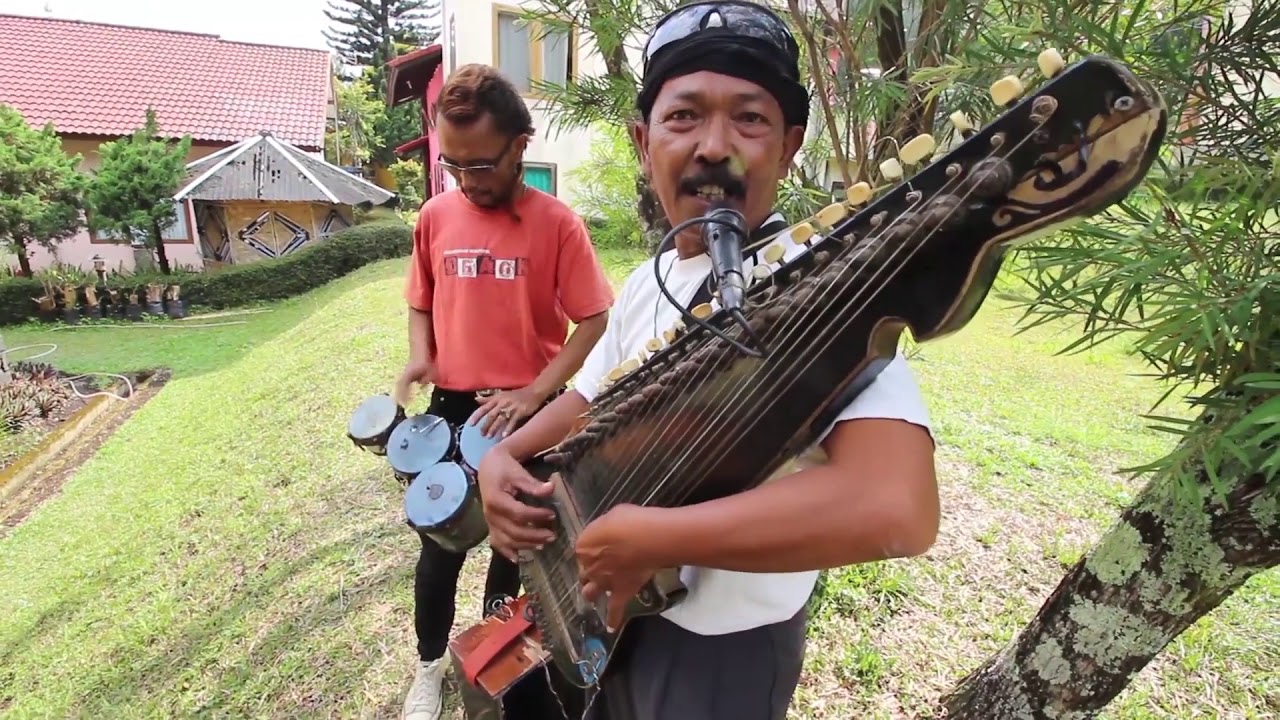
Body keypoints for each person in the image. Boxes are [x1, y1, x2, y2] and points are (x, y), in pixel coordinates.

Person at [474, 2, 940, 719]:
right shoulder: (649, 278)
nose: (713, 146)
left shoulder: (819, 291)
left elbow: (897, 507)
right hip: (620, 616)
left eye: (749, 120)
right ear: (642, 141)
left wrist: (661, 538)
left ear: (789, 146)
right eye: (683, 117)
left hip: (723, 653)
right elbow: (598, 397)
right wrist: (507, 457)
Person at [396, 62, 614, 720]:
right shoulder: (434, 218)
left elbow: (596, 320)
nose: (467, 181)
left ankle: (492, 669)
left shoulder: (557, 225)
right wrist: (419, 357)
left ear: (522, 144)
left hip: (530, 416)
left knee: (511, 555)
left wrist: (535, 392)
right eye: (453, 167)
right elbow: (419, 302)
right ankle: (430, 666)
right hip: (454, 411)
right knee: (438, 551)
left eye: (481, 166)